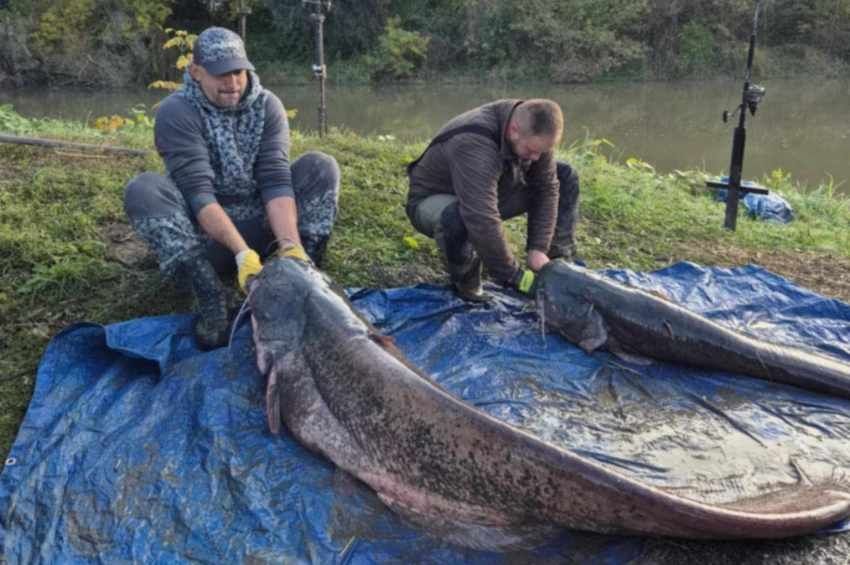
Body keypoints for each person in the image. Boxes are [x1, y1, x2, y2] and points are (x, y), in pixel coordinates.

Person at [124, 27, 340, 350]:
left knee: (321, 166)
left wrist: (289, 243)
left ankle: (302, 272)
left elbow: (275, 179)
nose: (232, 82)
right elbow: (199, 195)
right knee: (143, 190)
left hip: (263, 225)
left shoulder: (268, 106)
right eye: (220, 74)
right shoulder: (176, 112)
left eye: (238, 72)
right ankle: (210, 297)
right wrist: (241, 255)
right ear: (196, 72)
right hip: (206, 237)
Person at [405, 99, 579, 301]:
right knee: (459, 217)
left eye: (542, 152)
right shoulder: (474, 141)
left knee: (564, 176)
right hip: (435, 199)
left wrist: (538, 248)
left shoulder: (532, 128)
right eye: (531, 151)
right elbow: (481, 217)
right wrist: (514, 276)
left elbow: (546, 188)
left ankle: (556, 266)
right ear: (514, 130)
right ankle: (466, 280)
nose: (535, 158)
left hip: (493, 188)